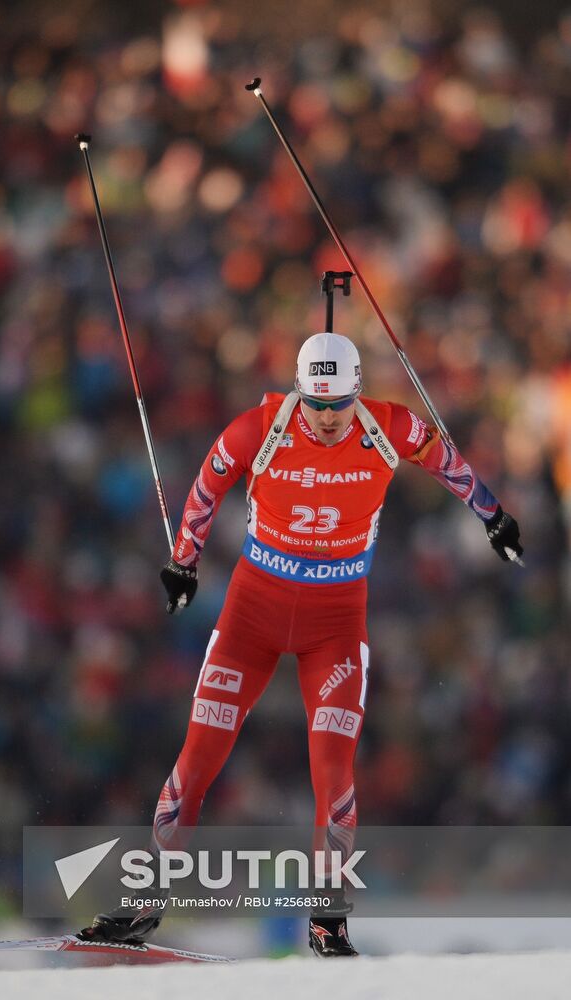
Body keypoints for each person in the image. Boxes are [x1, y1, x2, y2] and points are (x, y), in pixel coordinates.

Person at [80, 332, 523, 957]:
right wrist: (183, 563)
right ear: (299, 392)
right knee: (197, 760)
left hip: (336, 622)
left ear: (357, 391)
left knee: (333, 772)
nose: (328, 417)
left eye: (340, 402)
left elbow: (450, 463)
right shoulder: (263, 425)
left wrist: (494, 518)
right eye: (316, 403)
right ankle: (148, 905)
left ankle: (328, 920)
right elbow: (209, 483)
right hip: (251, 616)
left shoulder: (388, 427)